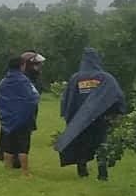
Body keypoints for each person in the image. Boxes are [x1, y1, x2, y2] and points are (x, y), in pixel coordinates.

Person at [54, 46, 128, 180]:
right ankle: (102, 174)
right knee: (101, 144)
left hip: (79, 119)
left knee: (81, 143)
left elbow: (68, 98)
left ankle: (82, 172)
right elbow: (117, 95)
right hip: (101, 119)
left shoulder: (75, 78)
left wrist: (68, 115)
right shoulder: (106, 78)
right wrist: (119, 112)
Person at [0, 55, 40, 172]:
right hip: (23, 121)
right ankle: (25, 172)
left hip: (7, 120)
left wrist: (4, 113)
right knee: (23, 147)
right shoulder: (25, 81)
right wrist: (26, 113)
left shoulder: (3, 82)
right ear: (22, 66)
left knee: (8, 146)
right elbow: (34, 98)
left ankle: (8, 170)